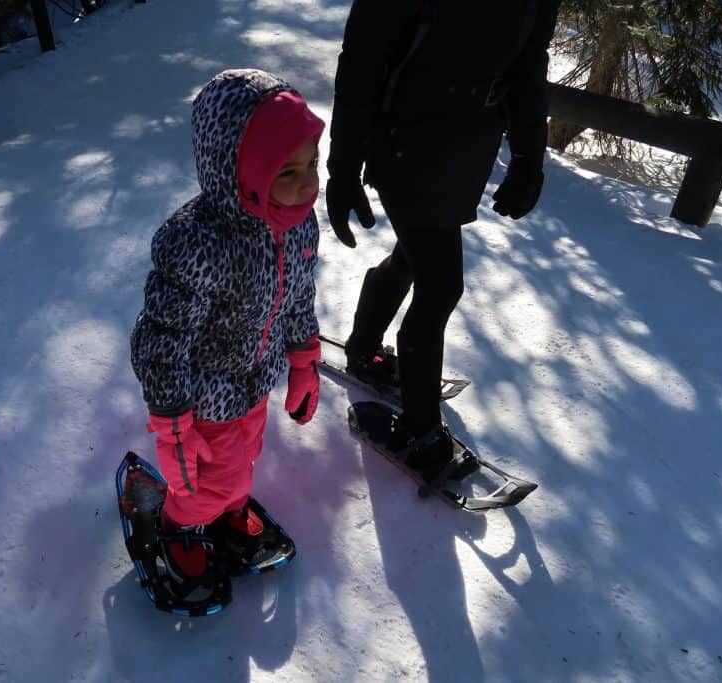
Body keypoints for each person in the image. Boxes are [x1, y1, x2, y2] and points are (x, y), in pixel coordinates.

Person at [326, 0, 560, 481]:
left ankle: (365, 347)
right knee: (440, 285)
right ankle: (419, 428)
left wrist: (528, 157)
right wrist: (343, 166)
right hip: (404, 138)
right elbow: (362, 58)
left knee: (413, 259)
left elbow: (528, 64)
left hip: (467, 145)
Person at [130, 69, 325, 596]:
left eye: (312, 163)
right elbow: (160, 342)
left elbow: (299, 298)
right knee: (211, 479)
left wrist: (304, 364)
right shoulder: (197, 243)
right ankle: (180, 524)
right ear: (238, 171)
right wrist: (172, 428)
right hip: (201, 396)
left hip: (255, 379)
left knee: (250, 454)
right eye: (287, 171)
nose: (307, 183)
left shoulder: (299, 223)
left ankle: (230, 508)